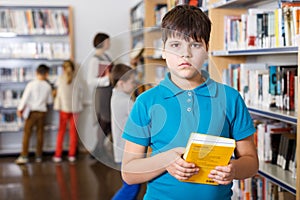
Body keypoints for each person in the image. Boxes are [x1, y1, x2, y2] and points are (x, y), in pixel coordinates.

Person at [121, 5, 259, 200]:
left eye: (195, 45)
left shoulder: (230, 98)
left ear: (207, 50)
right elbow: (128, 172)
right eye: (176, 45)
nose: (185, 54)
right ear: (163, 51)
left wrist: (234, 169)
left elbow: (251, 163)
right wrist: (165, 161)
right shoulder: (146, 102)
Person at [109, 64, 140, 200]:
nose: (134, 85)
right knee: (131, 187)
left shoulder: (116, 95)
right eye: (132, 82)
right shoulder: (124, 100)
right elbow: (141, 118)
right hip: (127, 151)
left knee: (131, 185)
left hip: (122, 149)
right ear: (121, 83)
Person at [15, 64, 53, 164]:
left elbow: (25, 98)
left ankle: (24, 156)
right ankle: (39, 156)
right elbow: (49, 101)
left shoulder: (31, 84)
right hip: (42, 112)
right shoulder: (48, 86)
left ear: (36, 72)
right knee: (40, 134)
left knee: (27, 134)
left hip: (31, 112)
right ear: (46, 74)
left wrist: (19, 109)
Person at [87, 32, 114, 159]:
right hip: (102, 92)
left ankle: (97, 149)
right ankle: (98, 149)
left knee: (108, 122)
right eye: (108, 41)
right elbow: (90, 81)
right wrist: (106, 79)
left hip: (109, 92)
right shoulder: (94, 60)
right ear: (103, 42)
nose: (109, 43)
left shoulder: (107, 56)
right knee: (104, 121)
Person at [52, 60, 84, 163]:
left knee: (61, 132)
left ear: (63, 69)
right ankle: (72, 155)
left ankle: (58, 155)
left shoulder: (59, 79)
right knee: (73, 133)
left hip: (64, 109)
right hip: (75, 110)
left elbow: (58, 95)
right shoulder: (78, 80)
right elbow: (81, 95)